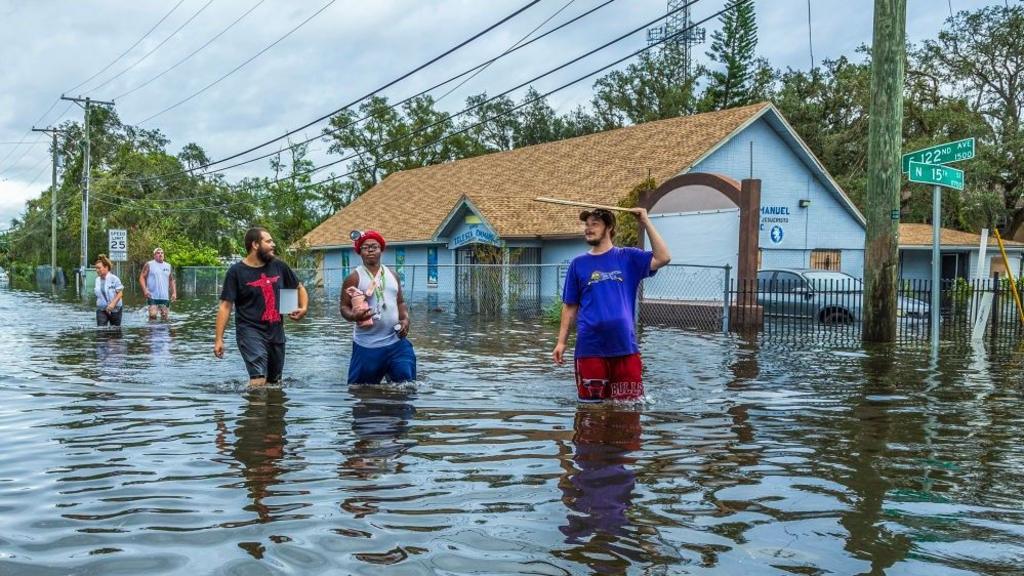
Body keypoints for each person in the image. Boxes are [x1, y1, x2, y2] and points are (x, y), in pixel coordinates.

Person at [553, 208, 671, 402]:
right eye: (587, 224)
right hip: (590, 348)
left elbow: (663, 257)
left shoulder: (628, 257)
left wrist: (645, 221)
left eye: (595, 224)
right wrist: (561, 342)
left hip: (625, 345)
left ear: (609, 227)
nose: (588, 229)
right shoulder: (578, 264)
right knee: (590, 412)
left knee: (629, 409)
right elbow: (570, 306)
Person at [214, 227, 308, 387]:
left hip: (276, 330)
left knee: (274, 383)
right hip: (249, 330)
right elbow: (225, 306)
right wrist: (218, 339)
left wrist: (303, 308)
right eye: (269, 241)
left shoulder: (279, 266)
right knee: (258, 380)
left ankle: (271, 411)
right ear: (255, 244)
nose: (273, 244)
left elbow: (298, 288)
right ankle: (255, 411)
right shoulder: (236, 272)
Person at [340, 230, 416, 384]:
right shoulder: (354, 277)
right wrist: (354, 316)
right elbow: (343, 307)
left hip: (396, 342)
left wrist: (405, 320)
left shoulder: (392, 275)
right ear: (359, 252)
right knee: (361, 391)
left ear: (381, 249)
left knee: (406, 386)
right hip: (367, 345)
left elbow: (400, 302)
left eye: (374, 246)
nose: (370, 250)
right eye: (365, 247)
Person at [139, 247, 176, 321]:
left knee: (165, 317)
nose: (160, 254)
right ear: (154, 255)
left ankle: (164, 332)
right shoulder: (149, 264)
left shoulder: (168, 266)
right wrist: (145, 290)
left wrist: (174, 293)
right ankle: (151, 331)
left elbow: (171, 280)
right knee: (153, 315)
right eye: (158, 253)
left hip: (164, 296)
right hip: (152, 295)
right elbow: (141, 277)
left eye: (162, 253)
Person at [94, 254, 125, 327]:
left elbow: (120, 293)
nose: (97, 270)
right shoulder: (97, 280)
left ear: (106, 267)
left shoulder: (114, 279)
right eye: (96, 268)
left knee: (115, 332)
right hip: (102, 309)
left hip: (115, 309)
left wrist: (112, 304)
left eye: (99, 268)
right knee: (101, 331)